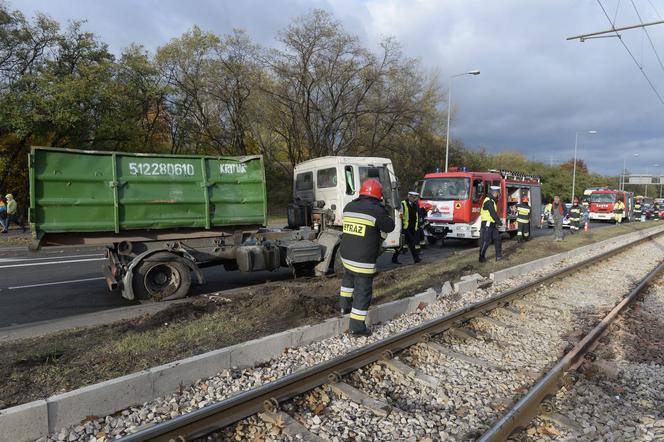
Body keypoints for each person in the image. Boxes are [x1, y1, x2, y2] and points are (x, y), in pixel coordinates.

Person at [339, 179, 395, 337]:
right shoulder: (376, 210)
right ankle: (356, 327)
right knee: (363, 292)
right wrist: (386, 209)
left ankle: (344, 307)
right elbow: (389, 227)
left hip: (346, 255)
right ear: (379, 195)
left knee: (348, 280)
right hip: (362, 259)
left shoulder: (349, 206)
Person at [393, 191, 422, 264]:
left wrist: (417, 225)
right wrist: (401, 227)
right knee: (412, 243)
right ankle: (416, 259)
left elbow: (417, 216)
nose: (415, 199)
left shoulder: (415, 205)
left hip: (412, 228)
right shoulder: (403, 204)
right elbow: (400, 216)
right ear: (409, 196)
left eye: (416, 197)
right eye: (413, 197)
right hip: (405, 228)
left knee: (401, 244)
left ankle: (394, 258)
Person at [479, 186, 503, 262]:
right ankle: (481, 257)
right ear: (494, 193)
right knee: (485, 241)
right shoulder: (489, 201)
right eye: (498, 193)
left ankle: (498, 256)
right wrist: (499, 222)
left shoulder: (492, 201)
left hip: (492, 224)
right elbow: (493, 213)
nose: (498, 195)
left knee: (498, 239)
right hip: (487, 224)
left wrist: (496, 222)